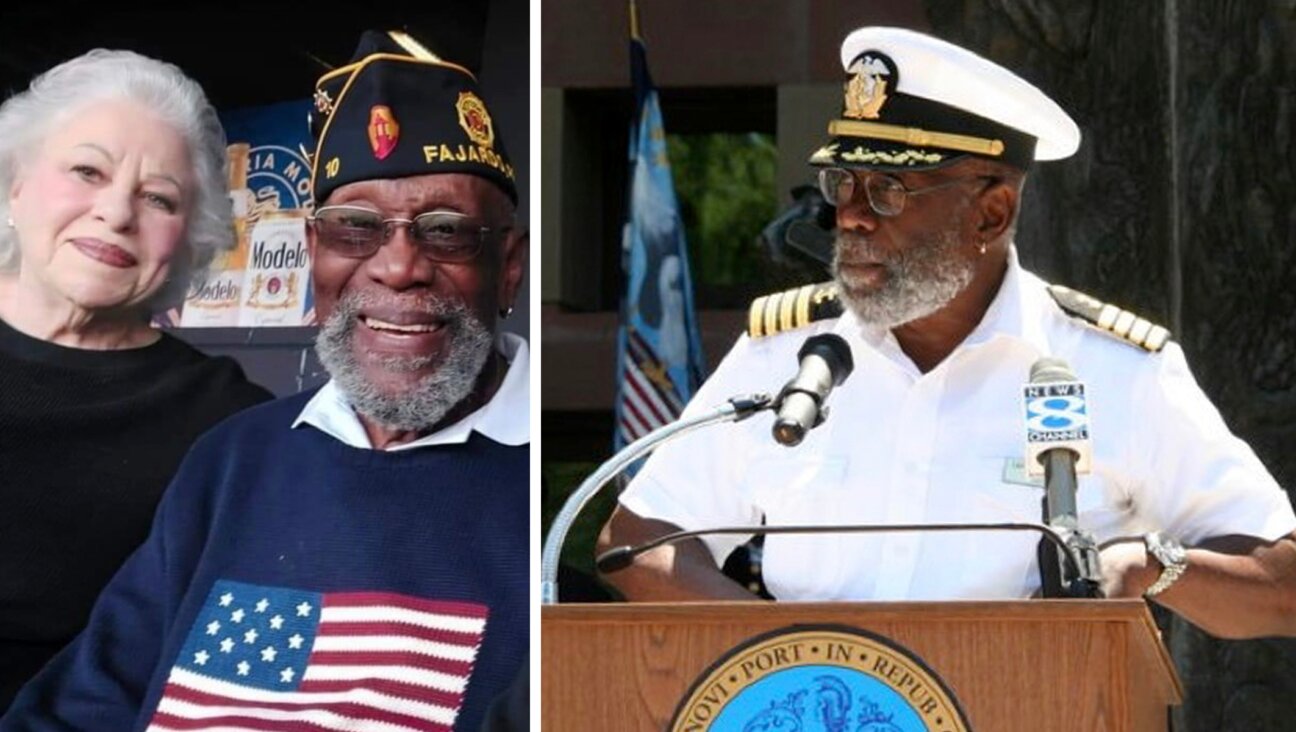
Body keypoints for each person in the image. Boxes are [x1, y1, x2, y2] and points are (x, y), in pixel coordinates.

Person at [599, 26, 1296, 640]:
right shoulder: (784, 358)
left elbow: (1280, 583)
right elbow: (637, 544)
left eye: (889, 191)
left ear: (991, 213)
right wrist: (793, 658)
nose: (852, 218)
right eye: (844, 184)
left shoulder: (1114, 368)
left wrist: (1147, 564)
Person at [0, 29, 528, 732]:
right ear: (313, 255)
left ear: (511, 267)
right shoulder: (235, 457)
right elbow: (81, 705)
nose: (399, 267)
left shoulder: (548, 503)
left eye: (445, 231)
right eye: (354, 228)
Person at [0, 50, 273, 711]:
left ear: (188, 239)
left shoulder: (229, 427)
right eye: (87, 171)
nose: (117, 213)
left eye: (159, 198)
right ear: (15, 187)